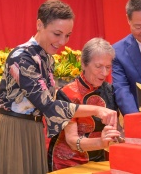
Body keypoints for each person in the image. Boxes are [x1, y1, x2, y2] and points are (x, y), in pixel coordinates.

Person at [0, 0, 118, 174]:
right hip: (13, 129)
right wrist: (96, 110)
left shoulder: (47, 59)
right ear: (39, 24)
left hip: (33, 130)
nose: (63, 42)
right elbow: (47, 105)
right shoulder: (22, 57)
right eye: (57, 34)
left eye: (67, 35)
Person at [48, 38, 119, 171]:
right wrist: (100, 142)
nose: (104, 73)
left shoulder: (109, 90)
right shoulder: (67, 93)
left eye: (108, 67)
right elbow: (72, 141)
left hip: (100, 161)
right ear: (84, 64)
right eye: (98, 66)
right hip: (69, 163)